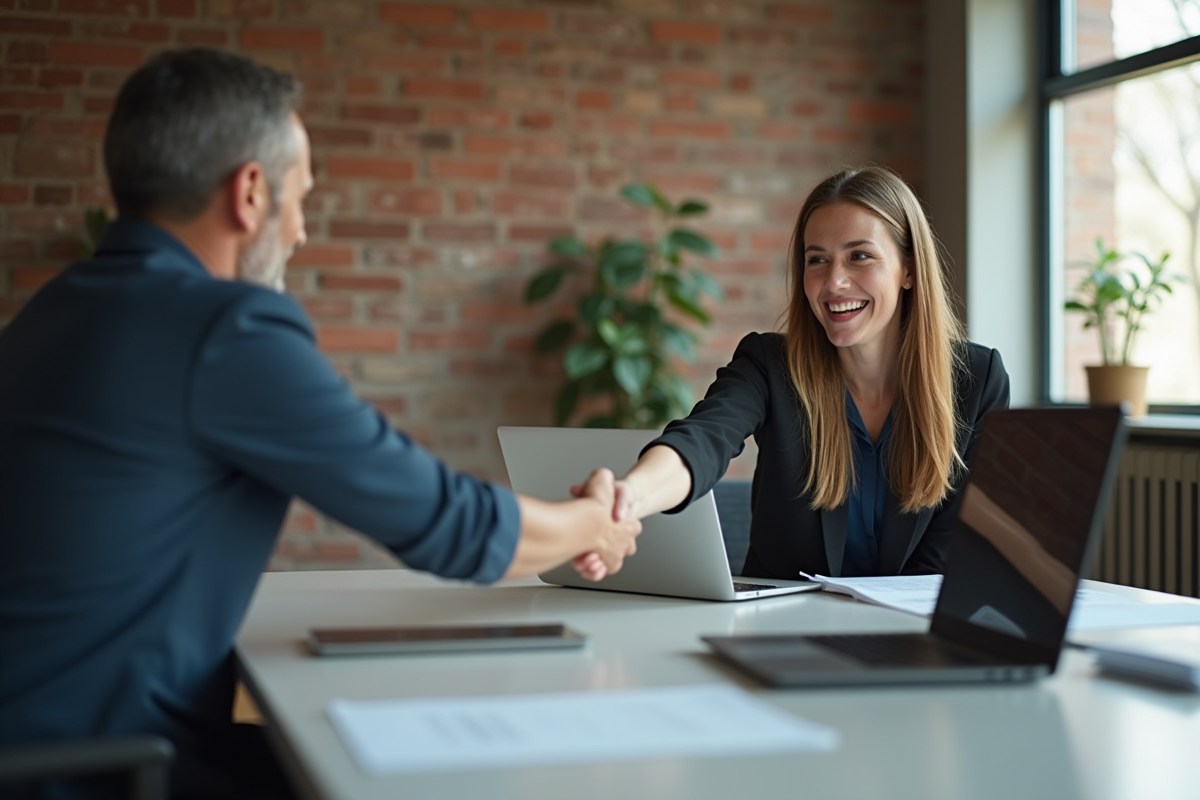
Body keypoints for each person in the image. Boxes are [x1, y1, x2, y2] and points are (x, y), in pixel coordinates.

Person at [0, 49, 639, 799]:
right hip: (99, 772)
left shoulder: (53, 310)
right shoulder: (224, 328)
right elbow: (450, 526)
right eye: (300, 197)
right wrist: (594, 524)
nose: (301, 230)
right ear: (248, 192)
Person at [590, 165, 1009, 581]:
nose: (834, 282)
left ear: (910, 269)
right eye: (817, 260)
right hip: (781, 634)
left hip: (910, 633)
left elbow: (950, 559)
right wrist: (629, 497)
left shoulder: (976, 380)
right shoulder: (769, 365)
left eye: (859, 256)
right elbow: (702, 440)